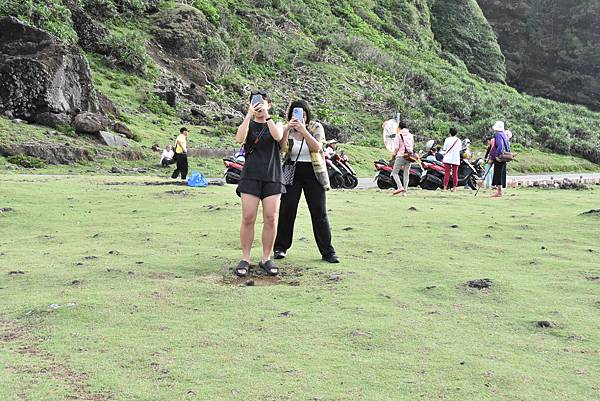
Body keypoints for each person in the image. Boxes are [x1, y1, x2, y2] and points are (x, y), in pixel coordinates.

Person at [274, 100, 339, 264]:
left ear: (307, 114)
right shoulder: (288, 128)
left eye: (303, 114)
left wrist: (303, 131)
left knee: (319, 212)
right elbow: (282, 149)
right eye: (297, 113)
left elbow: (317, 147)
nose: (300, 117)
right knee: (287, 210)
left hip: (313, 171)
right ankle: (280, 247)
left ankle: (328, 252)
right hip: (291, 170)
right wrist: (287, 129)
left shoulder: (315, 127)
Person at [234, 91, 285, 277]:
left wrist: (267, 116)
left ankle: (266, 258)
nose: (258, 106)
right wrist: (248, 115)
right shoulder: (248, 123)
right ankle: (245, 258)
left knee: (271, 217)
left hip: (272, 175)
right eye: (254, 103)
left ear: (269, 104)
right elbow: (239, 139)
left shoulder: (276, 123)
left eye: (262, 103)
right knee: (248, 217)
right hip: (251, 176)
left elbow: (278, 136)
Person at [391, 122, 414, 196]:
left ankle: (400, 187)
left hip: (400, 155)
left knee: (394, 173)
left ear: (399, 127)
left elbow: (397, 147)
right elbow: (412, 146)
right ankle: (405, 192)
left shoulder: (398, 135)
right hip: (409, 156)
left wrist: (393, 155)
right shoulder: (410, 135)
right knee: (406, 173)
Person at [490, 121, 511, 197]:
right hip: (505, 156)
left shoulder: (498, 134)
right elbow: (507, 146)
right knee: (502, 173)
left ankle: (499, 192)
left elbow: (500, 145)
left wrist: (497, 155)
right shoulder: (504, 134)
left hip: (500, 157)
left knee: (498, 173)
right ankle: (500, 191)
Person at [442, 127, 462, 192]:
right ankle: (454, 188)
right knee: (455, 173)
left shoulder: (447, 139)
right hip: (455, 158)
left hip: (447, 158)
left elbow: (444, 149)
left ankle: (445, 188)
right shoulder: (458, 140)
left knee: (447, 173)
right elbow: (460, 149)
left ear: (449, 132)